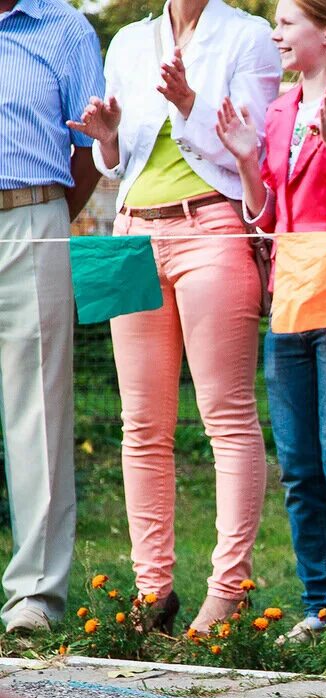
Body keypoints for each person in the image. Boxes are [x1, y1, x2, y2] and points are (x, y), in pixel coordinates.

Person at [70, 0, 281, 634]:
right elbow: (118, 162)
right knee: (142, 425)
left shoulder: (248, 37)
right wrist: (107, 139)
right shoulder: (130, 41)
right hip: (133, 233)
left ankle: (229, 588)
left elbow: (256, 149)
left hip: (212, 225)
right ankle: (152, 592)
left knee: (228, 417)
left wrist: (189, 105)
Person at [215, 0, 326, 642]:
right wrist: (243, 159)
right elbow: (265, 217)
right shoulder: (278, 110)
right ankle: (320, 608)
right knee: (298, 461)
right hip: (291, 294)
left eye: (286, 22)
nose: (275, 33)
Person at [0, 0, 103, 636]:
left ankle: (35, 595)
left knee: (38, 406)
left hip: (33, 216)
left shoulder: (64, 28)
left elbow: (90, 149)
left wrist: (46, 219)